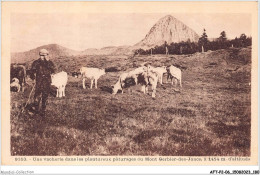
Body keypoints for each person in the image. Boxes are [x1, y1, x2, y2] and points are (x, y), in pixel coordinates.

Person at [30, 49, 55, 117]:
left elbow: (53, 70)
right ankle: (36, 110)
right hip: (39, 81)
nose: (43, 57)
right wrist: (33, 77)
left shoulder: (50, 63)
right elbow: (32, 72)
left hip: (47, 81)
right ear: (39, 55)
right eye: (41, 55)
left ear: (47, 55)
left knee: (45, 96)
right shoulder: (36, 62)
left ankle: (43, 111)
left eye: (45, 55)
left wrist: (48, 61)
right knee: (37, 95)